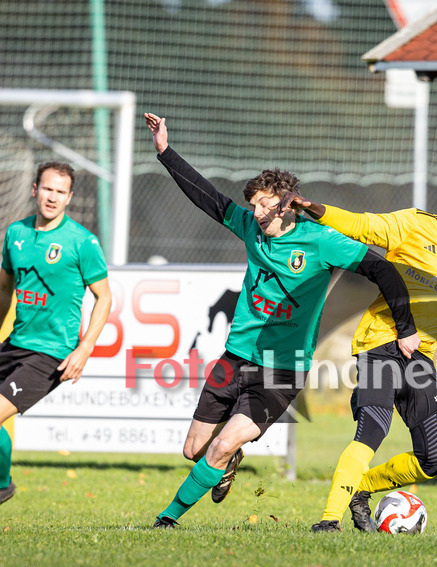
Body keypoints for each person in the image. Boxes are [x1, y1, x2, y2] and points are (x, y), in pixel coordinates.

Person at [144, 113, 420, 528]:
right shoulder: (250, 228)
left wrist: (406, 327)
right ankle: (230, 459)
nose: (255, 212)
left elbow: (383, 270)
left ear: (286, 204)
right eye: (253, 205)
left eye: (264, 205)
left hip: (282, 369)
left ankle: (167, 521)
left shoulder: (320, 240)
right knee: (194, 449)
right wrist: (165, 151)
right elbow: (207, 197)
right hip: (235, 357)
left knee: (219, 445)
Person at [276, 187, 437, 533]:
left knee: (435, 458)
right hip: (381, 341)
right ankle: (329, 520)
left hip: (420, 355)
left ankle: (360, 487)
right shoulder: (413, 225)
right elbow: (360, 225)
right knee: (373, 429)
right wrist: (313, 208)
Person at [0, 162, 112, 515]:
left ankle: (0, 486)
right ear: (35, 189)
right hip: (16, 342)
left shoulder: (82, 242)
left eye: (60, 192)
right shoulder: (16, 233)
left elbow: (105, 297)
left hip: (51, 352)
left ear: (69, 198)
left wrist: (84, 348)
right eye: (47, 189)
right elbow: (3, 287)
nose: (53, 197)